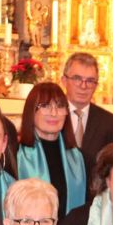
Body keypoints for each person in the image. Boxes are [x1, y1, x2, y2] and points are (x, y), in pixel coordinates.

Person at [17, 82, 88, 218]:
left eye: (60, 106)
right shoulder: (15, 157)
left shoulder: (81, 160)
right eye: (45, 106)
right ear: (31, 110)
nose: (54, 113)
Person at [61, 53, 113, 177]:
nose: (83, 86)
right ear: (64, 81)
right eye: (77, 79)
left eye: (90, 81)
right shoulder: (52, 116)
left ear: (96, 86)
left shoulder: (109, 122)